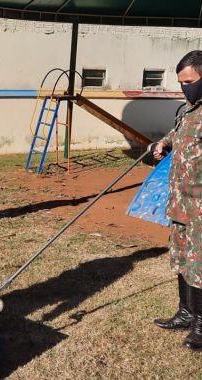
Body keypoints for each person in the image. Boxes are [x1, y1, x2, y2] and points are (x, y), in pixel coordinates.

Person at [153, 50, 202, 351]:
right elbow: (177, 134)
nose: (185, 87)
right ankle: (185, 313)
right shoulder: (187, 111)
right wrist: (163, 142)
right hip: (180, 204)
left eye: (191, 81)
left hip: (199, 208)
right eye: (181, 82)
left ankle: (201, 325)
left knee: (199, 265)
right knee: (182, 260)